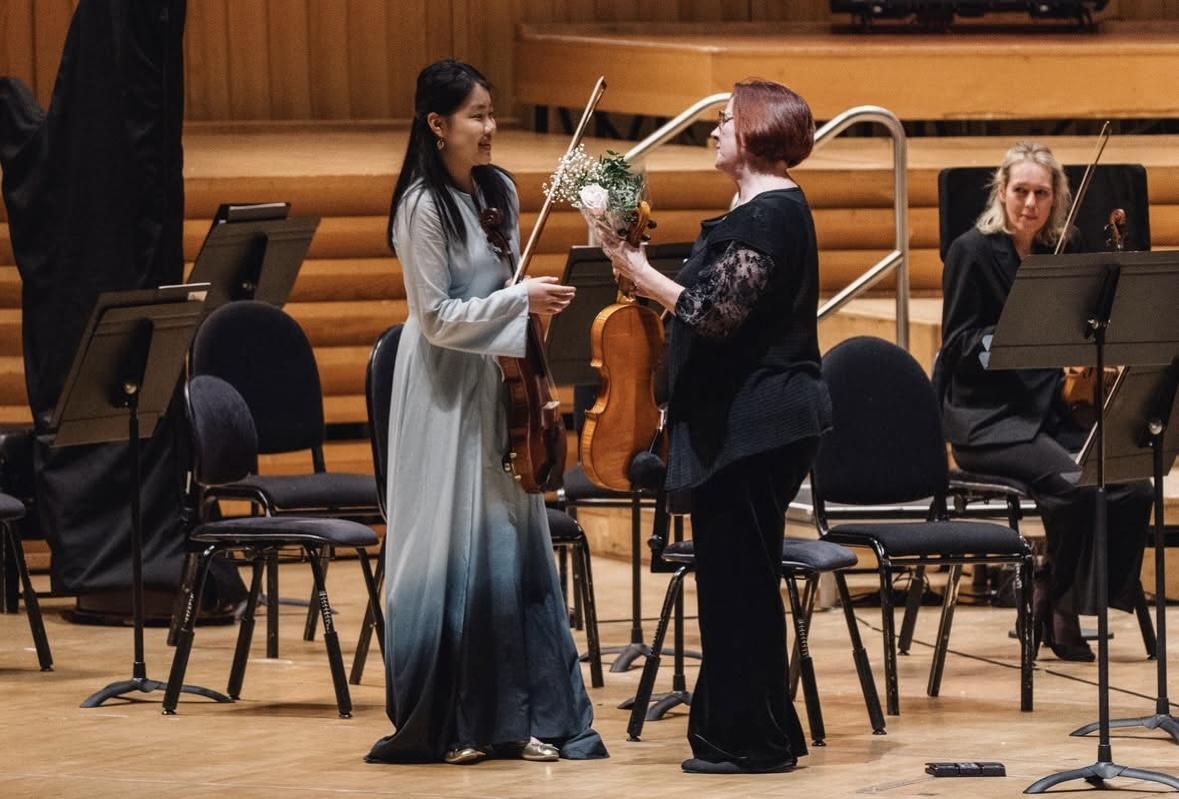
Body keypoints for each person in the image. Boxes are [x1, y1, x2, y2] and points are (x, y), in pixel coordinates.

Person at [366, 59, 607, 765]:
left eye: (491, 112)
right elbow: (436, 317)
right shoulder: (419, 206)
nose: (489, 127)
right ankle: (453, 719)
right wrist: (516, 300)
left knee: (509, 541)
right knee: (450, 545)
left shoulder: (498, 189)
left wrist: (527, 299)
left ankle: (518, 715)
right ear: (437, 125)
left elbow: (505, 287)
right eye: (475, 115)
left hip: (503, 384)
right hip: (442, 389)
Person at [593, 79, 830, 774]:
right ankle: (762, 732)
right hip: (752, 422)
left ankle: (747, 739)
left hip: (757, 423)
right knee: (738, 578)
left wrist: (642, 275)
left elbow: (714, 313)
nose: (713, 130)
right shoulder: (759, 208)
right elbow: (711, 301)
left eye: (723, 120)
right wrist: (621, 253)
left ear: (755, 132)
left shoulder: (770, 215)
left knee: (736, 581)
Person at [933, 141, 1151, 661]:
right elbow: (959, 344)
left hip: (1049, 410)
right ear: (1001, 193)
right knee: (1073, 486)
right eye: (1021, 191)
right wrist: (1016, 337)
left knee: (1132, 484)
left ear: (1056, 200)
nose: (1030, 203)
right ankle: (1061, 607)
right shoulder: (971, 251)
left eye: (1042, 194)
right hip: (987, 419)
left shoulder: (1065, 249)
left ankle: (1059, 585)